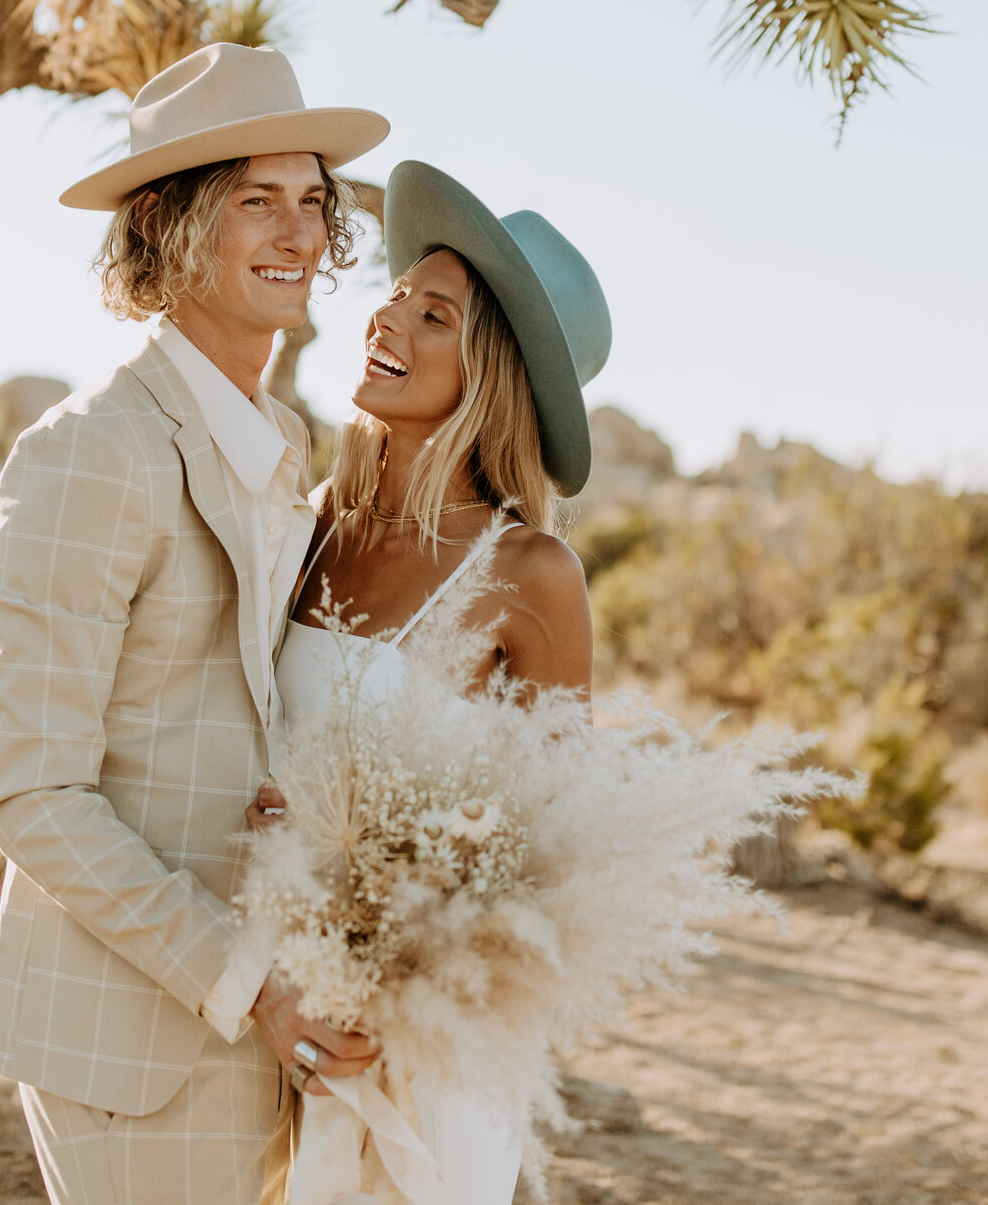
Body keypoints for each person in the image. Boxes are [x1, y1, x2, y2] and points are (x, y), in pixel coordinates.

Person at [0, 43, 393, 1205]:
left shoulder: (282, 445)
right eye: (256, 199)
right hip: (137, 1041)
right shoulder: (87, 453)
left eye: (313, 201)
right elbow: (30, 791)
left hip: (270, 1016)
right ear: (163, 223)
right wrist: (256, 980)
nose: (298, 234)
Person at [254, 159, 614, 1205]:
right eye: (397, 294)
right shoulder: (308, 523)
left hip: (420, 1042)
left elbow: (551, 853)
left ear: (491, 370)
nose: (388, 319)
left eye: (433, 313)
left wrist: (386, 882)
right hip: (259, 995)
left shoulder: (529, 575)